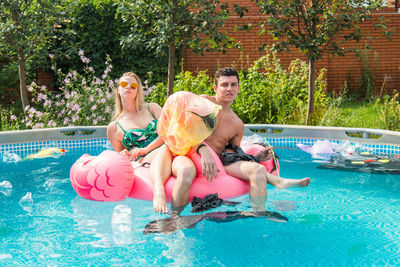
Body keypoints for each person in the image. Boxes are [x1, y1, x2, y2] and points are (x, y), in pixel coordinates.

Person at [197, 67, 311, 213]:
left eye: (233, 85)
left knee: (258, 169)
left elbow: (232, 154)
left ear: (238, 88)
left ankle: (259, 212)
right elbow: (184, 128)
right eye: (224, 84)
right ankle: (277, 181)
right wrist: (203, 150)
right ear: (215, 88)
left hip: (218, 162)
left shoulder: (237, 123)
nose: (229, 89)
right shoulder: (203, 102)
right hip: (196, 154)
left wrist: (255, 158)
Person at [107, 72, 196, 214]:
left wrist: (147, 147)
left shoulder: (151, 108)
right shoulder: (114, 127)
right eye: (124, 84)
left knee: (186, 171)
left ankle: (175, 218)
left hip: (172, 151)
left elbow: (169, 130)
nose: (128, 87)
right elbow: (119, 158)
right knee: (165, 147)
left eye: (133, 85)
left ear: (138, 91)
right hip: (146, 160)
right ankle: (158, 190)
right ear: (118, 89)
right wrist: (123, 154)